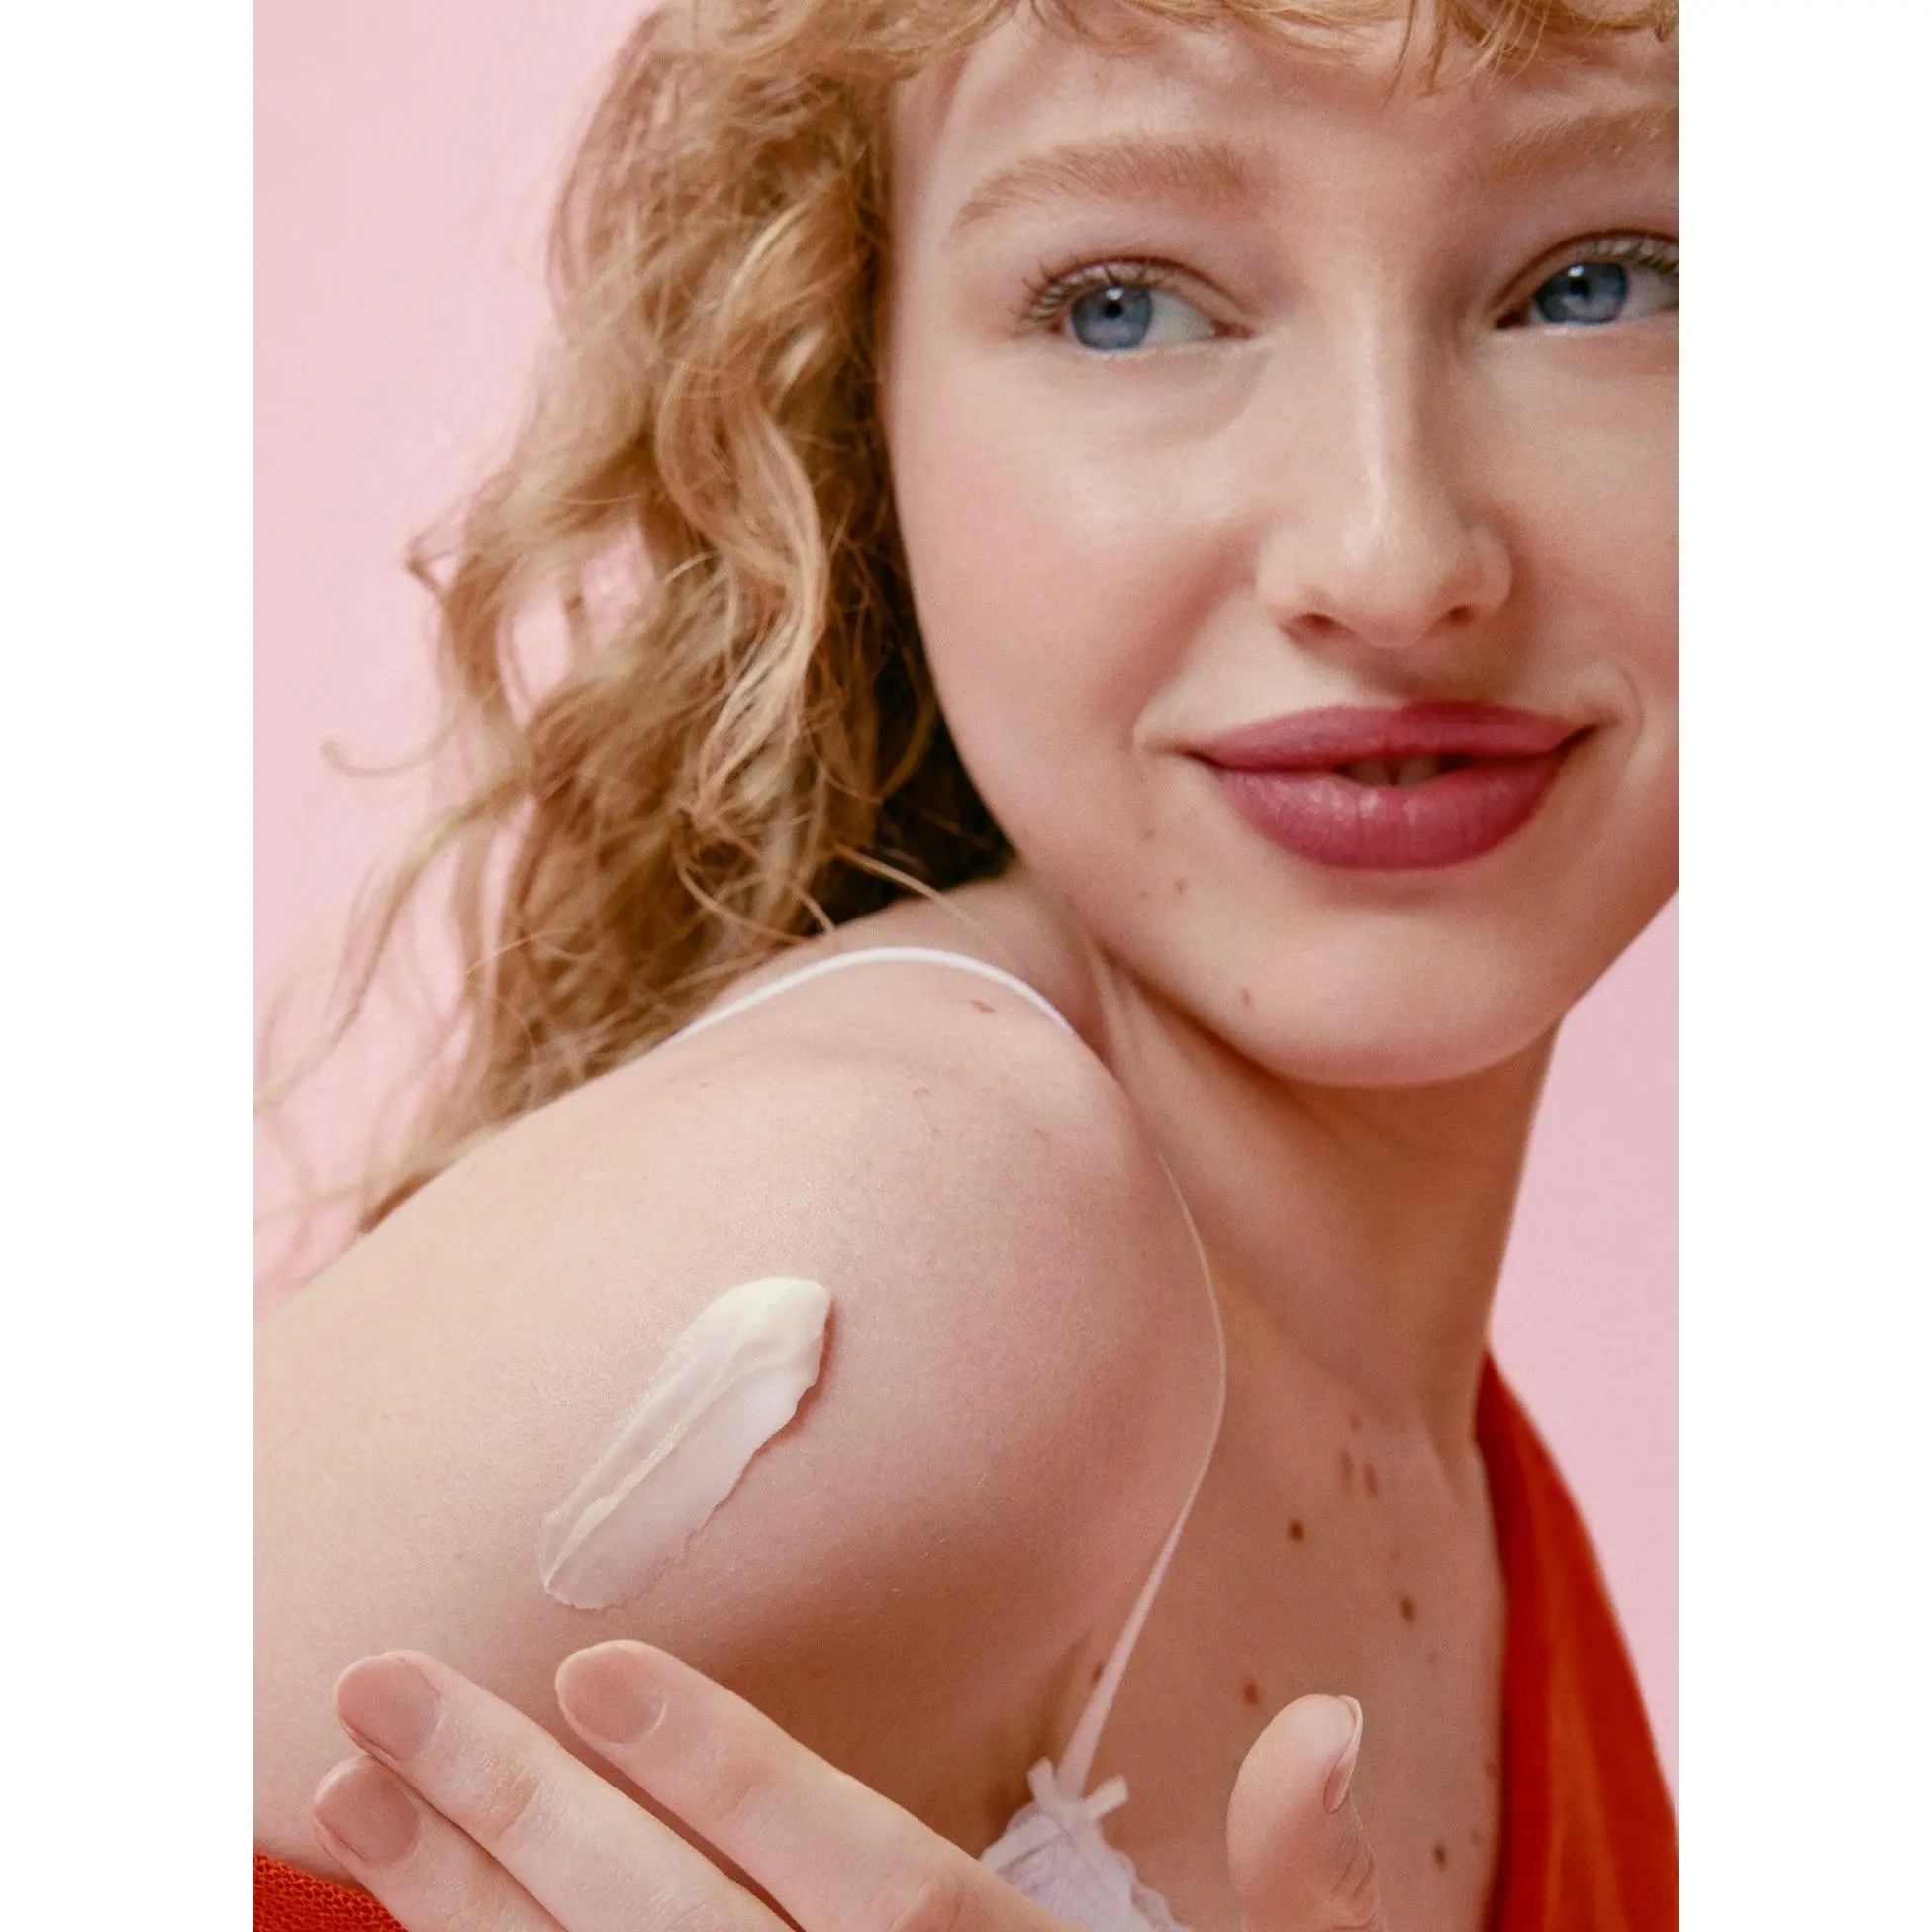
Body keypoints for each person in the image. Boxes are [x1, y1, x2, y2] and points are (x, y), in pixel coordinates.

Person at [255, 0, 1679, 1926]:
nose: (1390, 552)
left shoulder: (1410, 1409)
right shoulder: (912, 1240)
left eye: (1603, 284)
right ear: (859, 410)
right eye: (1125, 307)